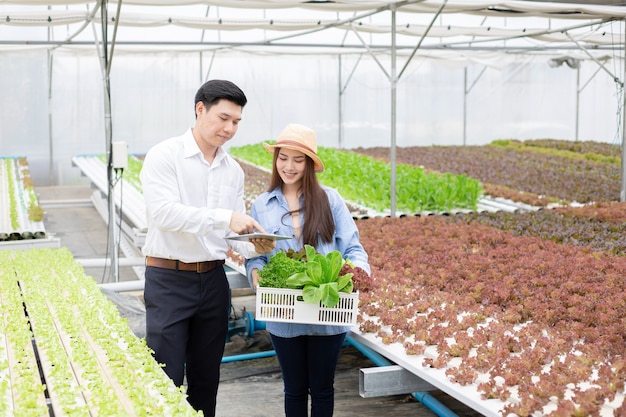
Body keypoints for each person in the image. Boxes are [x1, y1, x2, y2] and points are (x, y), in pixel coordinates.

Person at [140, 79, 275, 417]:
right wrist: (225, 217)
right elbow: (164, 214)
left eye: (236, 122)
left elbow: (231, 235)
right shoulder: (165, 155)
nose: (229, 128)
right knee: (164, 375)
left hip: (214, 281)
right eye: (223, 118)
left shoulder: (232, 170)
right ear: (200, 109)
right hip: (169, 278)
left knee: (206, 379)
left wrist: (252, 246)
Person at [245, 123, 371, 417]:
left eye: (298, 159)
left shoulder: (330, 200)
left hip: (327, 311)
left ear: (309, 164)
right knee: (295, 389)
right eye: (283, 158)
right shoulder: (262, 205)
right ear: (275, 159)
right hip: (283, 314)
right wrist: (255, 274)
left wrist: (354, 275)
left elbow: (354, 250)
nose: (289, 166)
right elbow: (256, 255)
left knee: (323, 388)